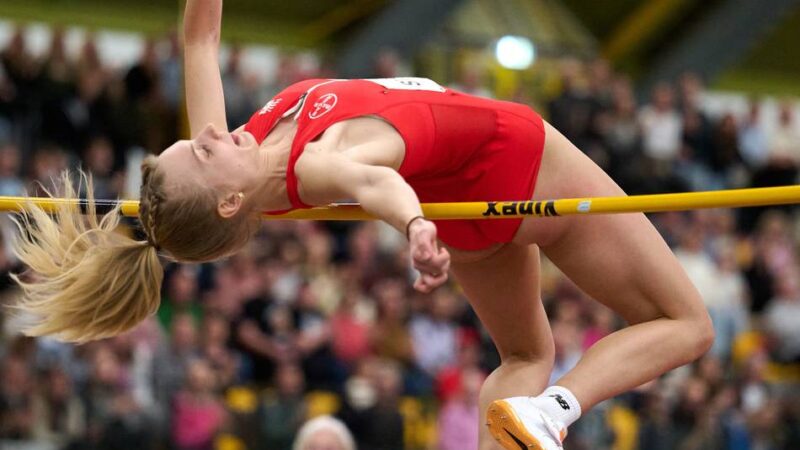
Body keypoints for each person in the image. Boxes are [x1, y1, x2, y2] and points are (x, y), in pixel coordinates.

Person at [10, 1, 714, 449]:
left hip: (462, 214)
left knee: (522, 360)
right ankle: (559, 409)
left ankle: (529, 418)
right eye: (201, 148)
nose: (212, 135)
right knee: (687, 325)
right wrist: (412, 227)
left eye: (198, 136)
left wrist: (425, 222)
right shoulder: (312, 167)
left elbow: (199, 38)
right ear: (227, 203)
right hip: (522, 164)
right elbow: (372, 179)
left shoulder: (239, 160)